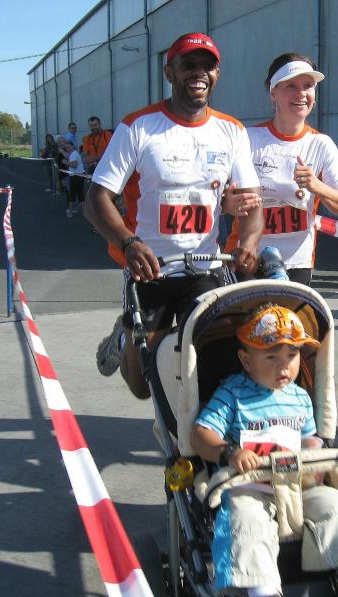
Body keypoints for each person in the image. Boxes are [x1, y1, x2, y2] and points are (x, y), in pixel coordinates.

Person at [84, 32, 262, 399]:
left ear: (217, 74)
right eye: (188, 65)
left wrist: (248, 241)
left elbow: (251, 203)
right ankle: (124, 338)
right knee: (142, 386)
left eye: (208, 66)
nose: (199, 73)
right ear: (169, 72)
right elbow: (96, 200)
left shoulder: (232, 131)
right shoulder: (138, 126)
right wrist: (128, 243)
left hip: (205, 268)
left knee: (215, 363)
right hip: (151, 270)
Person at [191, 303, 338, 597]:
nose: (284, 366)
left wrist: (315, 451)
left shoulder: (300, 397)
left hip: (298, 482)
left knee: (332, 505)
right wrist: (229, 452)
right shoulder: (232, 394)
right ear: (246, 360)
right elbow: (200, 434)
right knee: (245, 517)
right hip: (250, 483)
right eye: (271, 356)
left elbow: (309, 439)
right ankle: (262, 590)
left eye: (292, 355)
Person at [223, 53, 338, 286]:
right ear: (273, 92)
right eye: (291, 86)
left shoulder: (321, 144)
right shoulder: (247, 138)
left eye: (308, 86)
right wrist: (228, 203)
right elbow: (217, 196)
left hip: (297, 264)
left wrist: (317, 186)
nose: (301, 93)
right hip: (246, 259)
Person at [62, 141, 85, 217]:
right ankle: (85, 212)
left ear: (73, 146)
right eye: (66, 148)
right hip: (79, 175)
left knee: (73, 194)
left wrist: (66, 162)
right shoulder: (74, 153)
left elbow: (74, 165)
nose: (67, 149)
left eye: (69, 147)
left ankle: (70, 212)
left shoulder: (74, 154)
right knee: (80, 194)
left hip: (76, 176)